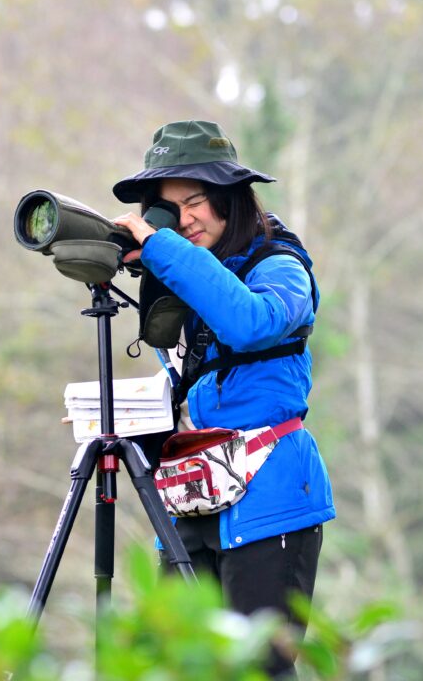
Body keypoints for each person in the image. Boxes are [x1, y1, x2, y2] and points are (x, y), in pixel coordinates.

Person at [112, 120, 335, 678]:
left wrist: (163, 249)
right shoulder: (182, 276)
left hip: (271, 499)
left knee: (257, 670)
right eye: (168, 210)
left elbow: (250, 321)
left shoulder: (281, 267)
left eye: (196, 202)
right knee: (182, 665)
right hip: (195, 492)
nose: (185, 220)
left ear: (232, 200)